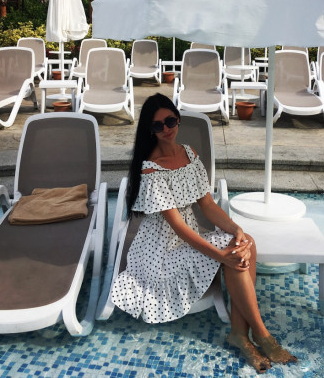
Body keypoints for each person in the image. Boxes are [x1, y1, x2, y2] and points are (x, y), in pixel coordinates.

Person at [111, 93, 297, 373]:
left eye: (170, 121)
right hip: (160, 252)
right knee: (231, 255)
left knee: (246, 242)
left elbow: (207, 204)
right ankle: (262, 335)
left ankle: (240, 333)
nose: (166, 129)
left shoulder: (189, 153)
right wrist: (221, 255)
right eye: (157, 125)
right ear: (150, 130)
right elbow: (179, 227)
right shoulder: (150, 168)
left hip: (186, 239)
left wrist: (236, 228)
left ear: (178, 119)